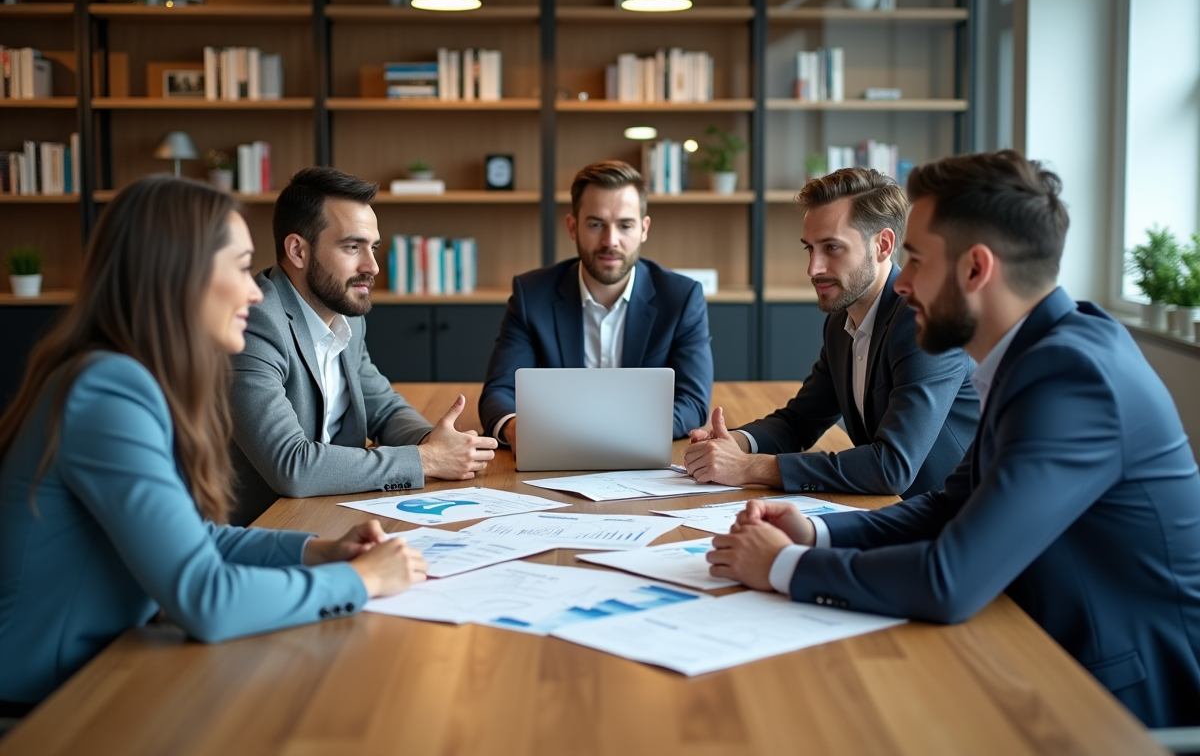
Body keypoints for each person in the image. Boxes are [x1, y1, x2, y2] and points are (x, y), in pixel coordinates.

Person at [707, 151, 1200, 727]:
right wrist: (814, 532)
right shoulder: (1036, 353)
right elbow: (948, 505)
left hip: (1116, 694)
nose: (905, 282)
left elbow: (952, 580)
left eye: (915, 258)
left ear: (975, 269)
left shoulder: (1071, 376)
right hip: (1034, 636)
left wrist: (785, 567)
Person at [0, 176, 428, 713]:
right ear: (177, 274)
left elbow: (193, 538)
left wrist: (319, 552)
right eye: (239, 267)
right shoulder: (107, 391)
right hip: (49, 707)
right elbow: (206, 599)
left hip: (108, 671)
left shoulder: (126, 378)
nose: (255, 290)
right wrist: (359, 580)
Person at [685, 168, 978, 498]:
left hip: (956, 524)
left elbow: (891, 467)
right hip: (894, 513)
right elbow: (799, 421)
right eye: (809, 249)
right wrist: (733, 443)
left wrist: (748, 467)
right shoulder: (842, 323)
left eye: (832, 248)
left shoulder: (925, 322)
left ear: (883, 245)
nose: (813, 269)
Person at [228, 167, 497, 526]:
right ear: (297, 250)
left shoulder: (345, 315)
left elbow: (382, 408)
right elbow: (292, 466)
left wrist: (437, 441)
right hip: (264, 529)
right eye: (352, 246)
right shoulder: (253, 324)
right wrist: (427, 460)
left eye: (373, 248)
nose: (371, 266)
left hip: (332, 511)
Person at [479, 160, 713, 448]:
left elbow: (692, 401)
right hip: (555, 451)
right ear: (573, 226)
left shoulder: (682, 298)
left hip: (641, 456)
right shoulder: (531, 294)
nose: (610, 241)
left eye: (625, 225)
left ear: (644, 228)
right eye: (596, 224)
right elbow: (500, 391)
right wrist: (516, 429)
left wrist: (612, 436)